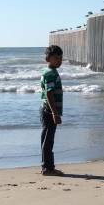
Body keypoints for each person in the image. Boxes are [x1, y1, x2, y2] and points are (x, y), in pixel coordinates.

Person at [40, 45, 64, 176]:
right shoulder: (50, 73)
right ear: (48, 58)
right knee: (48, 140)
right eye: (56, 58)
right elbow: (49, 94)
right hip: (49, 111)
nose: (59, 61)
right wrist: (55, 113)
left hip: (47, 110)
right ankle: (48, 168)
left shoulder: (50, 71)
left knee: (47, 139)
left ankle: (47, 166)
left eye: (61, 58)